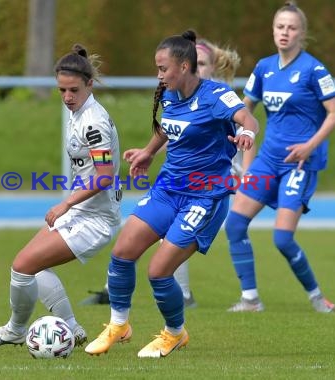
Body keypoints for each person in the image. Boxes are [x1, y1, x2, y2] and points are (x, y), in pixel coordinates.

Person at [84, 29, 259, 358]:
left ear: (183, 66)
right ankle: (118, 325)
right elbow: (169, 126)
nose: (159, 75)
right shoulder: (169, 95)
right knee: (122, 252)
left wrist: (247, 131)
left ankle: (174, 333)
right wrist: (149, 152)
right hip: (168, 189)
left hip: (204, 198)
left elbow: (246, 116)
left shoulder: (216, 95)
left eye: (163, 68)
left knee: (159, 272)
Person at [0, 44, 122, 348]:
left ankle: (16, 330)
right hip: (81, 212)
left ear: (89, 84)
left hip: (94, 218)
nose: (67, 97)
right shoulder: (78, 111)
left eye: (73, 90)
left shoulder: (92, 120)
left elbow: (105, 176)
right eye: (62, 90)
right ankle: (71, 328)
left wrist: (66, 202)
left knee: (23, 266)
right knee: (29, 266)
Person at [225, 1, 335, 313]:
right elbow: (244, 112)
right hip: (267, 161)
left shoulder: (314, 69)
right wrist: (247, 165)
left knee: (282, 239)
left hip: (299, 164)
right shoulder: (264, 68)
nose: (284, 33)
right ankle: (250, 299)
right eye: (280, 27)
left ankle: (317, 296)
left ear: (301, 33)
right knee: (235, 224)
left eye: (291, 28)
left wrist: (310, 146)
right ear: (273, 30)